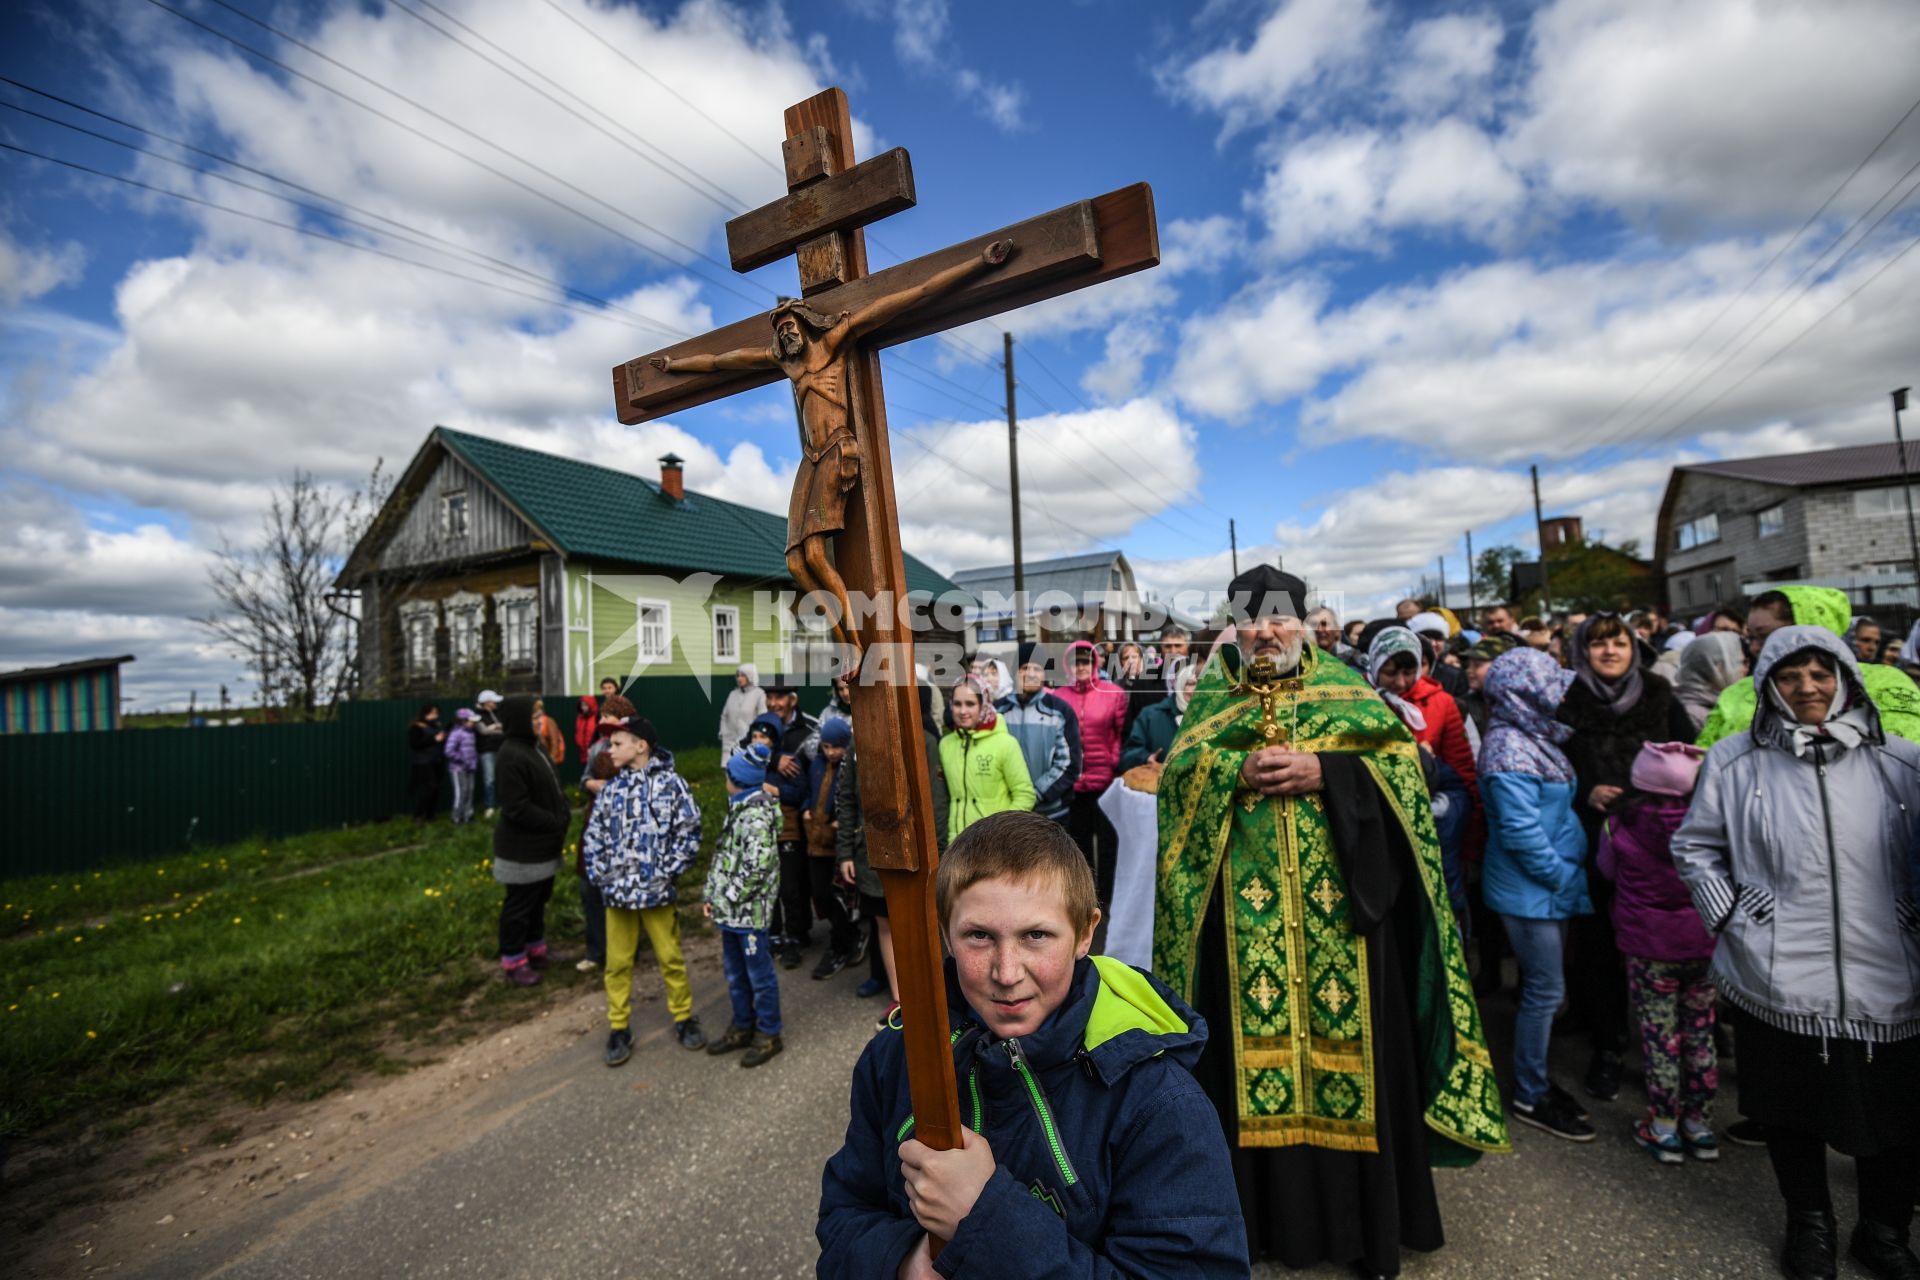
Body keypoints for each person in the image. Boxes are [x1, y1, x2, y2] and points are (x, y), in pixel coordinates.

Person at [1156, 565, 1507, 1277]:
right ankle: (1257, 1229)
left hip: (1345, 924)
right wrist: (1230, 775)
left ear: (1305, 620)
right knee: (1242, 1068)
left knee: (1361, 1064)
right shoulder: (1211, 699)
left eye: (1279, 616)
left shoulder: (1346, 691)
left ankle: (1369, 1234)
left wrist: (1330, 772)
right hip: (1242, 935)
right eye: (1251, 619)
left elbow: (1409, 775)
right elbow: (1176, 787)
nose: (1266, 631)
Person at [817, 811, 1249, 1278]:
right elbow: (844, 1215)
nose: (1006, 973)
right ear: (945, 931)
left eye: (1035, 936)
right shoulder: (896, 1057)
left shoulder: (1157, 1102)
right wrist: (902, 1263)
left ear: (1085, 932)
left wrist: (982, 1220)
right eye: (979, 936)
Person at [1672, 626, 1920, 1280]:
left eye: (1821, 673)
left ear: (1845, 677)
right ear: (1768, 685)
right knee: (1791, 1112)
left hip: (1888, 972)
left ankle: (1885, 1230)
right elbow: (1694, 847)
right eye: (1790, 676)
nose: (1807, 688)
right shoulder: (1733, 760)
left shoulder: (1901, 761)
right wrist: (1733, 916)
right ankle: (1809, 1223)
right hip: (1777, 973)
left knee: (1895, 1115)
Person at [1557, 613, 1696, 1104]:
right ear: (1582, 651)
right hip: (1595, 841)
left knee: (1662, 950)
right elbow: (1554, 767)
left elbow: (1691, 760)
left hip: (1657, 848)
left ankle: (1676, 1052)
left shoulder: (1659, 695)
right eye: (1598, 645)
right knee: (1598, 948)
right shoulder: (1568, 699)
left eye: (1618, 641)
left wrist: (1652, 798)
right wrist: (1585, 791)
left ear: (1634, 646)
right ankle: (1608, 1047)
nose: (1610, 651)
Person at [1478, 646, 1595, 1142]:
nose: (1561, 693)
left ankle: (1537, 1079)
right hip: (1532, 892)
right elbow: (1520, 831)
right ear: (1524, 691)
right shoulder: (1509, 749)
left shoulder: (1531, 736)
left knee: (1543, 988)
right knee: (1545, 991)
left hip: (1543, 889)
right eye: (1551, 684)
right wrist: (1560, 875)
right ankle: (1530, 1090)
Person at [1596, 742, 1718, 1165]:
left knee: (1659, 1034)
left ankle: (1664, 1127)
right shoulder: (1711, 826)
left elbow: (1606, 870)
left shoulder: (1619, 825)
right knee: (1700, 1031)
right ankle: (1700, 1126)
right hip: (1702, 943)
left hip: (1648, 948)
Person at [582, 715, 706, 1060]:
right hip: (618, 897)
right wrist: (603, 875)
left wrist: (666, 872)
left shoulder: (672, 785)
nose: (609, 749)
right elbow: (594, 838)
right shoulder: (612, 791)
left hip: (656, 893)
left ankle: (683, 1017)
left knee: (670, 957)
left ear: (641, 746)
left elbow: (689, 832)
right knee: (617, 963)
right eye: (609, 744)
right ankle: (619, 1026)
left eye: (617, 743)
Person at [837, 683, 948, 1024]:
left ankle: (935, 993)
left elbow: (936, 804)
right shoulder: (859, 743)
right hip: (872, 853)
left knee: (925, 922)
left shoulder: (924, 742)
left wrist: (938, 854)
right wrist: (845, 852)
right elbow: (847, 799)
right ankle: (900, 999)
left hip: (917, 854)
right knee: (885, 923)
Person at [1698, 586, 1920, 747]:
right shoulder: (1736, 693)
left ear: (1811, 630)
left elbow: (1904, 758)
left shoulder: (1884, 683)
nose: (1755, 648)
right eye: (1751, 637)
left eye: (1765, 636)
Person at [702, 743, 784, 1069]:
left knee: (758, 975)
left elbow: (757, 867)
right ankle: (742, 1023)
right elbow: (723, 858)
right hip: (729, 914)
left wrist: (727, 897)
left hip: (749, 916)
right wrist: (711, 894)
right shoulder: (737, 808)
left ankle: (768, 1032)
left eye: (728, 774)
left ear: (736, 779)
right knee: (735, 973)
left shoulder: (756, 818)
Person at [492, 694, 570, 987]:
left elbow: (551, 786)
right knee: (520, 905)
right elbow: (516, 807)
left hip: (542, 845)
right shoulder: (510, 754)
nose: (540, 722)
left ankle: (535, 949)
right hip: (521, 849)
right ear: (518, 722)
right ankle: (513, 959)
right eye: (534, 718)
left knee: (539, 899)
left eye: (541, 717)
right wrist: (553, 821)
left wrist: (562, 811)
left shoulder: (533, 748)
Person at [752, 681, 821, 971]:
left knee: (797, 881)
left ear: (792, 699)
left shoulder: (808, 729)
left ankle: (798, 932)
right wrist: (773, 759)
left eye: (778, 697)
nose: (773, 703)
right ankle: (780, 934)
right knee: (775, 882)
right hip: (766, 824)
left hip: (798, 817)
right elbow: (744, 758)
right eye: (769, 697)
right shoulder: (761, 728)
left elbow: (814, 772)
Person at [1053, 639, 1128, 905]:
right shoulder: (1058, 696)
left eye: (1086, 661)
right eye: (1076, 661)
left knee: (1108, 844)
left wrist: (1114, 761)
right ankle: (1084, 899)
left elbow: (1120, 733)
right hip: (1073, 785)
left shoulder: (1113, 693)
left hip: (1104, 780)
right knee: (1078, 845)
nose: (1081, 666)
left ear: (1095, 662)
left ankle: (1107, 898)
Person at [575, 692, 636, 973]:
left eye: (607, 717)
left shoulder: (638, 748)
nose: (602, 721)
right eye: (601, 716)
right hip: (594, 823)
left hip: (623, 827)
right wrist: (591, 785)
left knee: (621, 889)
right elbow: (583, 779)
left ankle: (625, 949)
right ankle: (597, 950)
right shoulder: (597, 747)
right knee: (590, 888)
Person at [995, 641, 1082, 827]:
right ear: (1015, 672)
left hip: (1052, 812)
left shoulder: (1060, 711)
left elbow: (1070, 764)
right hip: (1008, 811)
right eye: (1025, 667)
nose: (1031, 674)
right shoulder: (998, 711)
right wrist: (1016, 799)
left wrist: (1033, 795)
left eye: (1038, 668)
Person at [940, 675, 1036, 837]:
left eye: (970, 704)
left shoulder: (1006, 744)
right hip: (956, 843)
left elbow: (1025, 796)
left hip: (993, 845)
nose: (963, 711)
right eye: (957, 704)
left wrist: (999, 830)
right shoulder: (945, 745)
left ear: (983, 706)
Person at [802, 717, 861, 980]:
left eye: (836, 746)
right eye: (826, 746)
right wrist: (806, 807)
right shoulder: (817, 764)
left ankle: (844, 943)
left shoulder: (849, 767)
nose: (831, 752)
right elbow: (810, 791)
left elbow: (850, 800)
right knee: (819, 893)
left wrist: (841, 822)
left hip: (836, 842)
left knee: (837, 896)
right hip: (816, 841)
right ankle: (845, 935)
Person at [1120, 658, 1200, 769]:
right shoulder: (1150, 716)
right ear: (1179, 685)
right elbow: (1127, 756)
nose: (1197, 690)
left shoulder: (1214, 715)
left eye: (1201, 683)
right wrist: (1145, 758)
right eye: (1191, 684)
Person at [1673, 630, 1745, 737]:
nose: (1745, 669)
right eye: (1739, 663)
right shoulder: (1692, 715)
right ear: (1716, 668)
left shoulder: (1717, 703)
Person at [717, 663, 768, 758]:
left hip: (748, 743)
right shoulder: (732, 694)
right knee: (729, 769)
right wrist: (723, 732)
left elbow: (763, 718)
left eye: (743, 675)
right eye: (738, 675)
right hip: (729, 743)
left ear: (751, 676)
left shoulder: (760, 694)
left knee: (744, 768)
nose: (739, 678)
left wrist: (755, 738)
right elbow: (724, 716)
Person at [406, 703, 445, 823]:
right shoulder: (417, 726)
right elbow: (415, 744)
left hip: (436, 760)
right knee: (430, 787)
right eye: (433, 712)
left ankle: (430, 815)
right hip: (423, 762)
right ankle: (418, 815)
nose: (435, 715)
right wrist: (434, 739)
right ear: (425, 713)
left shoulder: (437, 725)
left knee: (436, 788)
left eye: (436, 712)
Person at [473, 690, 505, 816]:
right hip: (487, 751)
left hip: (501, 748)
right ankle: (489, 806)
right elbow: (483, 732)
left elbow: (505, 729)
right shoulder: (478, 716)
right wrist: (496, 728)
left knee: (503, 778)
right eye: (493, 701)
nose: (496, 703)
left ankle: (503, 804)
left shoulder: (499, 713)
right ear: (486, 702)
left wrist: (494, 727)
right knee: (489, 779)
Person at [445, 708, 479, 825]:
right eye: (471, 721)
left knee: (470, 791)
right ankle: (456, 817)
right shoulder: (456, 733)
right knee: (461, 792)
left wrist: (472, 762)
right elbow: (449, 751)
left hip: (470, 767)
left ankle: (468, 815)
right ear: (463, 721)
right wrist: (462, 759)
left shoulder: (471, 733)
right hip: (458, 769)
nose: (473, 724)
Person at [533, 697, 566, 767]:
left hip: (548, 760)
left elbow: (555, 743)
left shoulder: (549, 721)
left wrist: (550, 761)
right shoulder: (533, 722)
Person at [572, 694, 599, 760]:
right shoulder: (580, 718)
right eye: (582, 705)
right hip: (582, 752)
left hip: (595, 752)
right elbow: (578, 732)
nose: (583, 707)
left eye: (586, 705)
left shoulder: (597, 717)